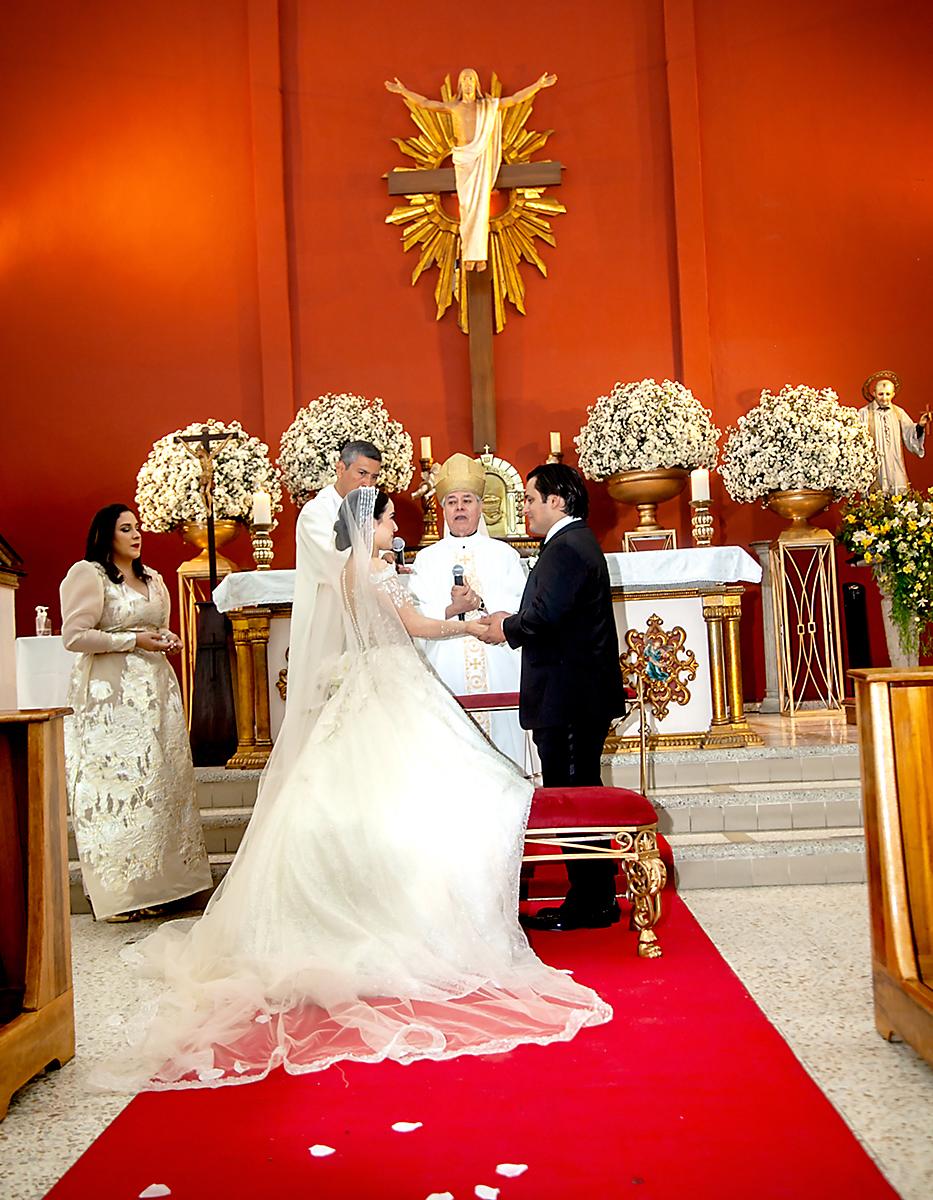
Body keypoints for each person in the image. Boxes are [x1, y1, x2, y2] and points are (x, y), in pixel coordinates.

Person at [95, 488, 610, 1091]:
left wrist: (455, 613)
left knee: (371, 801)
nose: (398, 527)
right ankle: (410, 916)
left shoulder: (347, 570)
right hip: (392, 690)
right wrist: (472, 623)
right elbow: (412, 625)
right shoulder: (374, 567)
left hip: (371, 686)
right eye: (393, 518)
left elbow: (392, 626)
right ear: (371, 524)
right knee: (446, 795)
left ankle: (371, 905)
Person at [482, 464, 627, 931]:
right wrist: (514, 617)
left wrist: (506, 627)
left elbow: (544, 617)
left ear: (556, 502)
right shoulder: (572, 543)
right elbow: (551, 612)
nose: (522, 507)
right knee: (579, 791)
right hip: (574, 695)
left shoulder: (566, 547)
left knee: (572, 797)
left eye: (529, 498)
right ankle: (594, 897)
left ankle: (589, 902)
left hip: (569, 698)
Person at [60, 505, 212, 921]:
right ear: (106, 535)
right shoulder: (88, 575)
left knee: (161, 784)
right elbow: (74, 637)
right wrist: (133, 641)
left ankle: (164, 886)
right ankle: (121, 896)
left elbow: (153, 628)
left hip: (156, 694)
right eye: (125, 528)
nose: (136, 534)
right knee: (120, 789)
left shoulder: (153, 578)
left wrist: (166, 638)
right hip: (111, 698)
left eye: (138, 527)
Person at [409, 452, 527, 766]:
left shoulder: (504, 555)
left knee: (505, 757)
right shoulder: (427, 559)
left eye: (467, 500)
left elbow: (520, 609)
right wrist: (452, 608)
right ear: (443, 509)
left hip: (498, 666)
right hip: (446, 667)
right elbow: (415, 615)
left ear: (480, 506)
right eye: (452, 501)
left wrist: (481, 605)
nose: (460, 508)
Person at [385, 69, 556, 270]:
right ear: (459, 85)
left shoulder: (486, 107)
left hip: (481, 157)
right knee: (466, 207)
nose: (467, 82)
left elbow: (514, 100)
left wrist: (537, 85)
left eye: (471, 79)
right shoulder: (454, 107)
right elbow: (425, 104)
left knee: (481, 207)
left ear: (476, 84)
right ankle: (468, 256)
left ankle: (480, 257)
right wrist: (403, 91)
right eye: (464, 79)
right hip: (463, 160)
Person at [287, 440, 383, 707]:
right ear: (341, 468)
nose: (367, 484)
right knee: (330, 699)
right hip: (327, 617)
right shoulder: (316, 513)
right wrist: (377, 562)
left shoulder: (369, 510)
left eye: (374, 477)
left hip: (359, 615)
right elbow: (336, 560)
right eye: (361, 473)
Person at [858, 370, 929, 493]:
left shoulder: (898, 412)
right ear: (874, 393)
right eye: (881, 394)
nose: (884, 398)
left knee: (898, 491)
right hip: (875, 462)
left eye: (887, 394)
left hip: (894, 458)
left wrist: (920, 426)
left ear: (893, 394)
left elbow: (909, 431)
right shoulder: (864, 413)